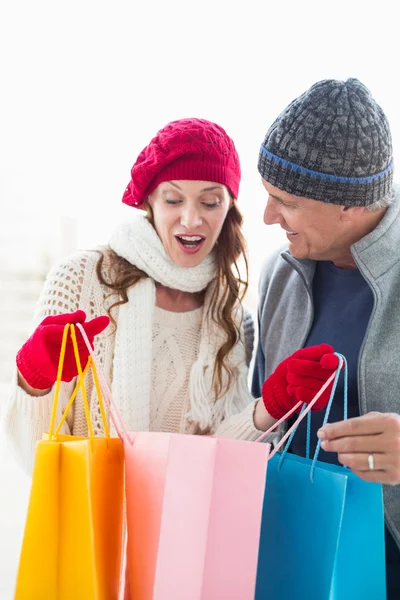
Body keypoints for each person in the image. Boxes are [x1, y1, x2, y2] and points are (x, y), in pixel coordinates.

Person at [4, 117, 338, 477]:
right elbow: (32, 456)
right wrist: (34, 378)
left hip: (181, 530)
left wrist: (271, 404)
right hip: (89, 527)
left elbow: (216, 459)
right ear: (150, 200)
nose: (191, 219)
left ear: (229, 208)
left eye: (210, 202)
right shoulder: (81, 280)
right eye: (173, 199)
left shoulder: (229, 317)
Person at [252, 78, 400, 598]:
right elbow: (257, 418)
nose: (268, 216)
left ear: (349, 205)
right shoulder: (281, 274)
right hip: (291, 553)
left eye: (284, 201)